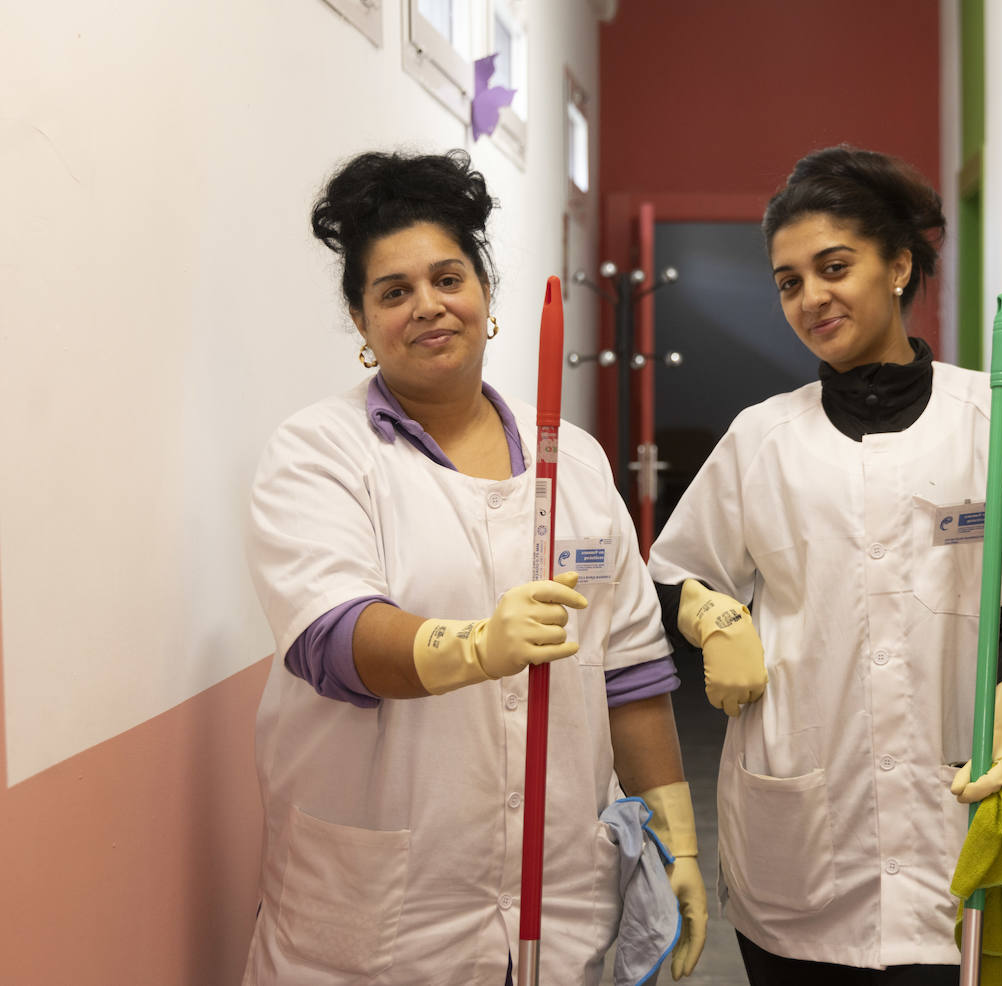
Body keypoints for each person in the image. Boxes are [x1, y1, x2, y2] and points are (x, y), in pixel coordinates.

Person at [242, 149, 707, 985]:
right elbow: (334, 639)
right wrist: (473, 647)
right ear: (361, 322)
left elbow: (630, 672)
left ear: (485, 293)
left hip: (554, 903)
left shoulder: (581, 462)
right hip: (384, 919)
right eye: (394, 292)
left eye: (448, 278)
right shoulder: (319, 453)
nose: (428, 306)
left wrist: (677, 835)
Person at [648, 146, 1002, 985]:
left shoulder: (994, 420)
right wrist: (716, 621)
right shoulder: (763, 439)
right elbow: (677, 571)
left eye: (834, 267)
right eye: (789, 281)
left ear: (899, 264)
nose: (810, 297)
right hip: (800, 841)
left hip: (948, 832)